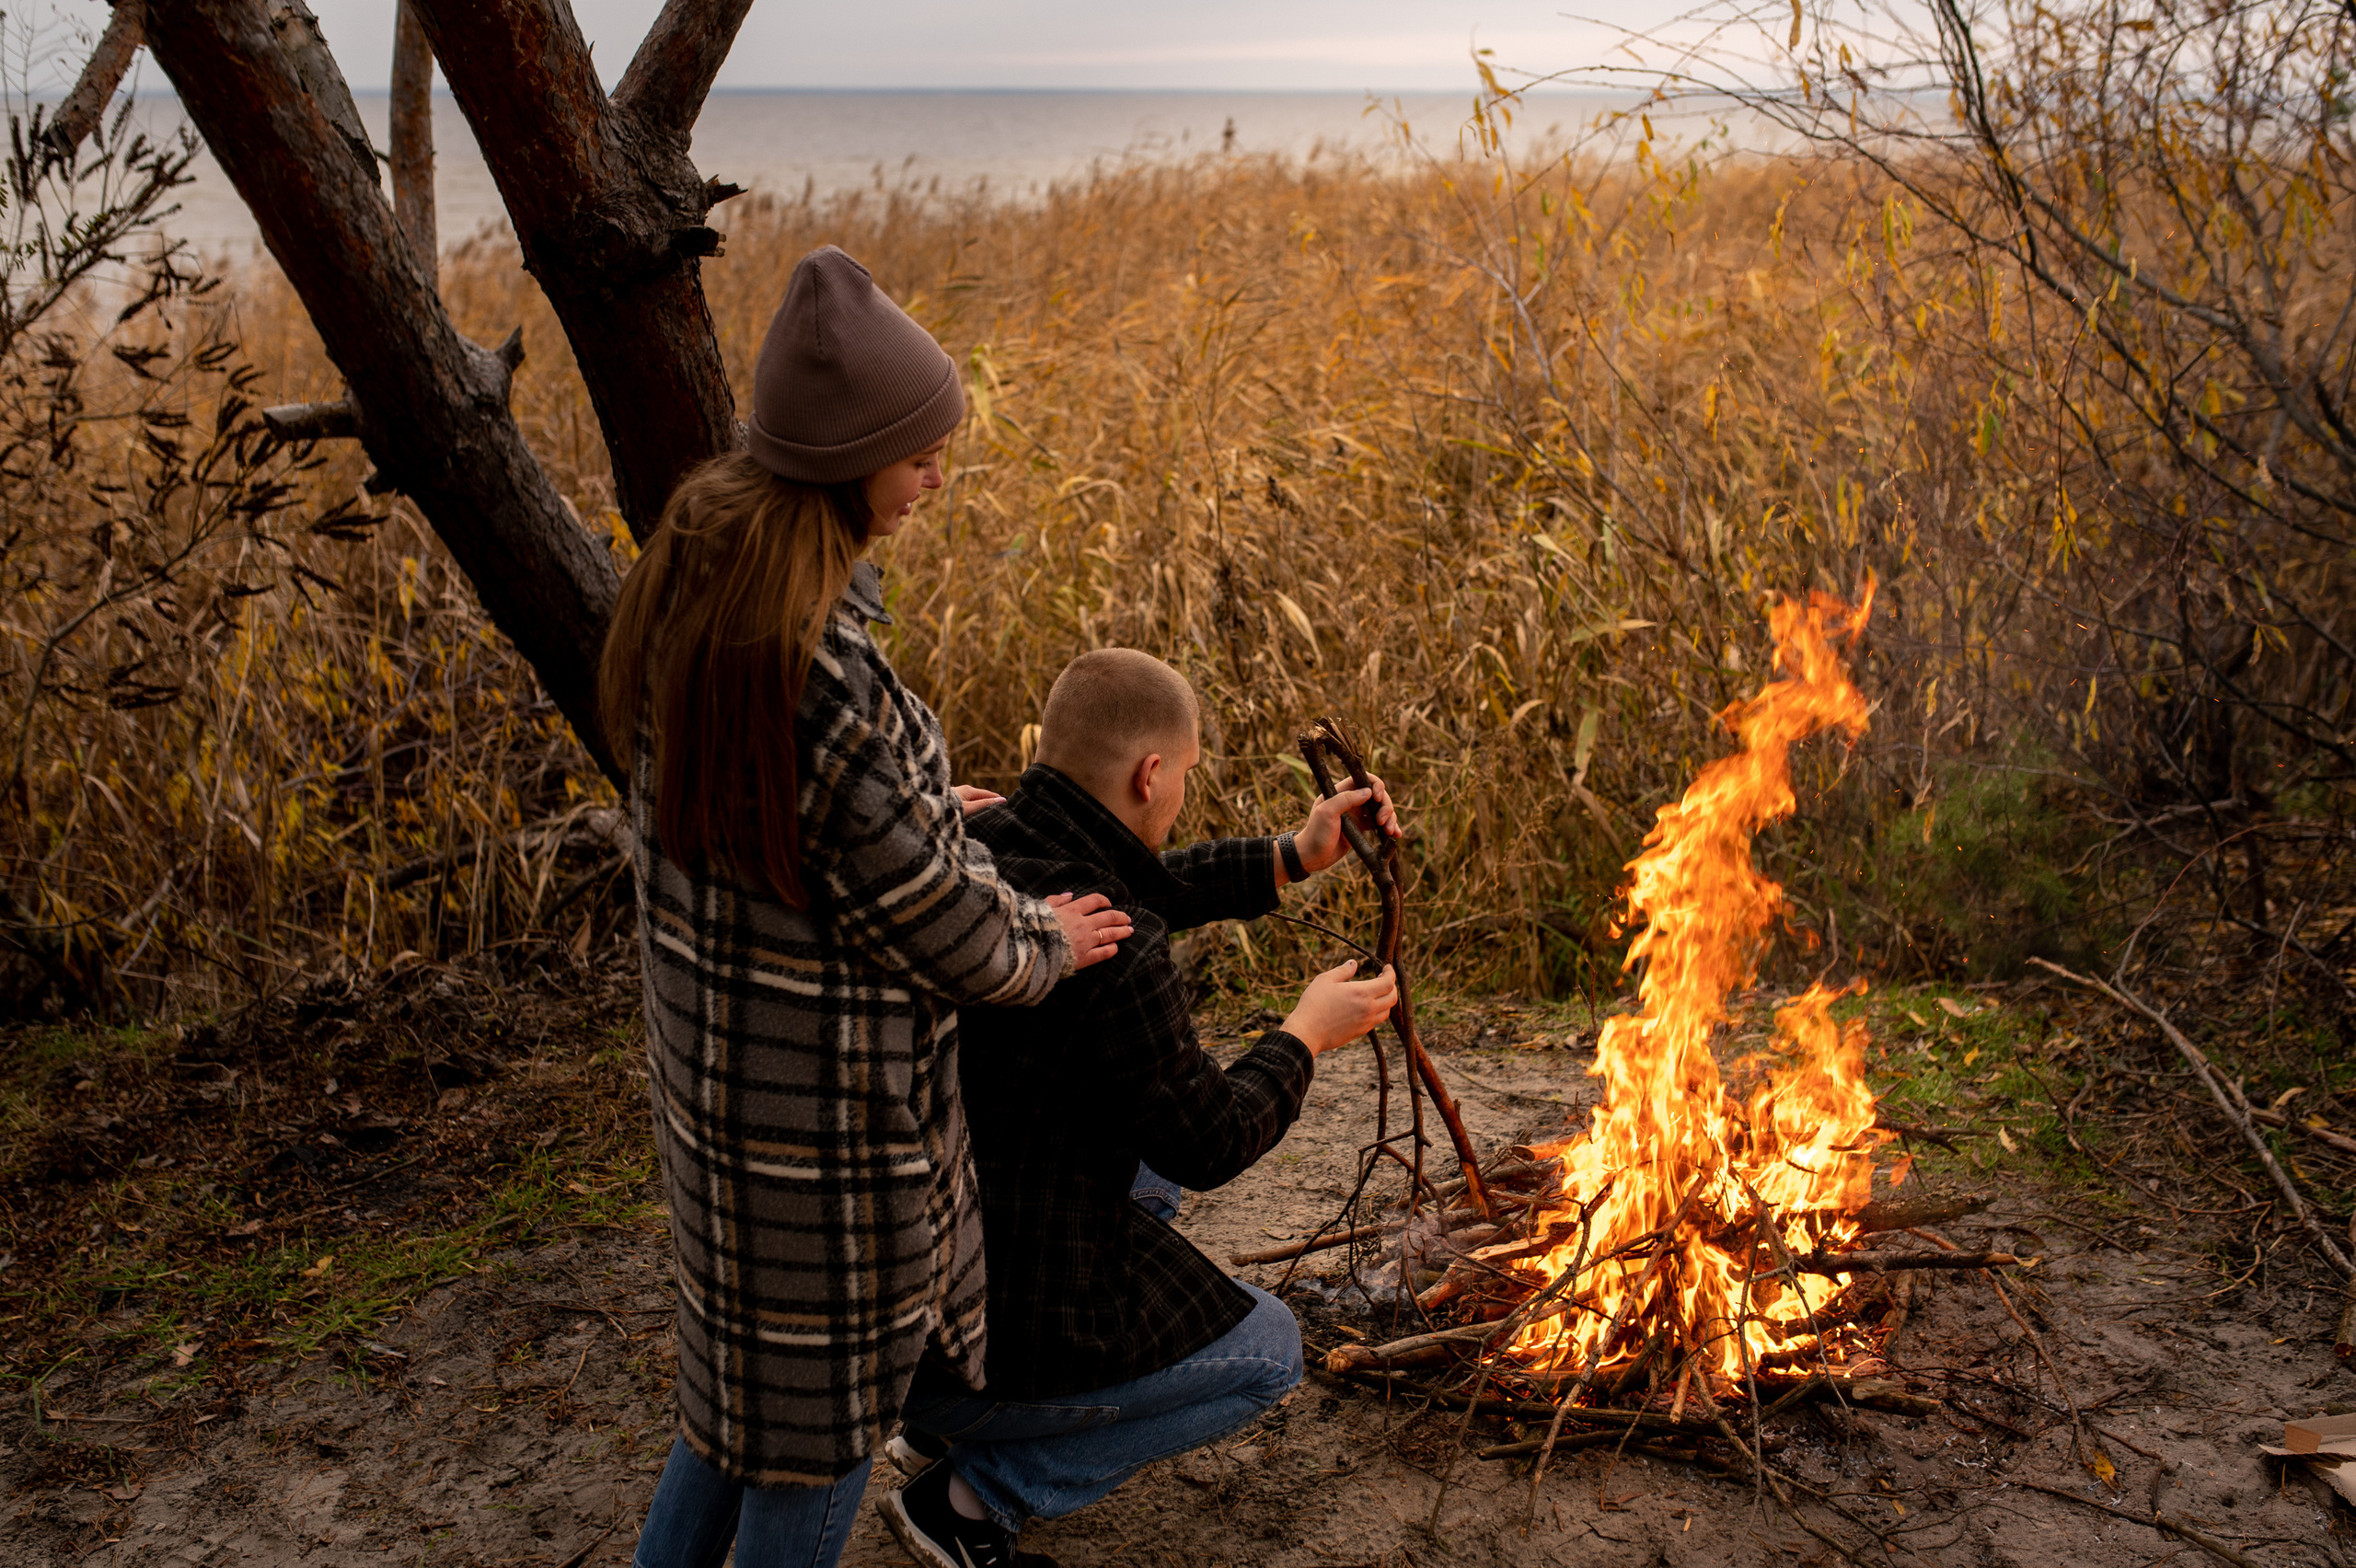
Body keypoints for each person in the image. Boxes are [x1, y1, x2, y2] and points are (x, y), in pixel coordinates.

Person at [597, 247, 1135, 1568]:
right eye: (920, 456)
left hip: (723, 1096)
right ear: (847, 461)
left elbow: (779, 834)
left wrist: (914, 807)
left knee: (733, 1412)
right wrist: (1049, 941)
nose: (936, 478)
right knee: (820, 1442)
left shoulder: (699, 593)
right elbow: (954, 938)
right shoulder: (815, 674)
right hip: (825, 1140)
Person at [882, 648, 1402, 1568]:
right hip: (993, 1317)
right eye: (1186, 773)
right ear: (1150, 773)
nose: (1180, 792)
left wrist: (1293, 855)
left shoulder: (985, 839)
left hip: (911, 1285)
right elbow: (1208, 1140)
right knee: (1269, 1349)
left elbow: (1140, 887)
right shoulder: (1113, 956)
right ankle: (973, 1496)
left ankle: (943, 1426)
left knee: (1138, 1143)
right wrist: (1304, 1037)